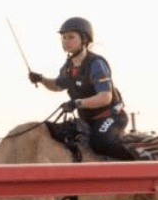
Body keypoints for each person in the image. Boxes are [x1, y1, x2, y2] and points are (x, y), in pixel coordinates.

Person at [28, 17, 135, 161]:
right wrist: (41, 79)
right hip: (87, 119)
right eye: (63, 37)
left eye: (71, 37)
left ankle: (138, 165)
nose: (66, 41)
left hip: (110, 116)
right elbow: (57, 85)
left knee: (100, 142)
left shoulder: (96, 64)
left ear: (84, 39)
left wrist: (77, 103)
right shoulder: (68, 66)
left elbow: (105, 97)